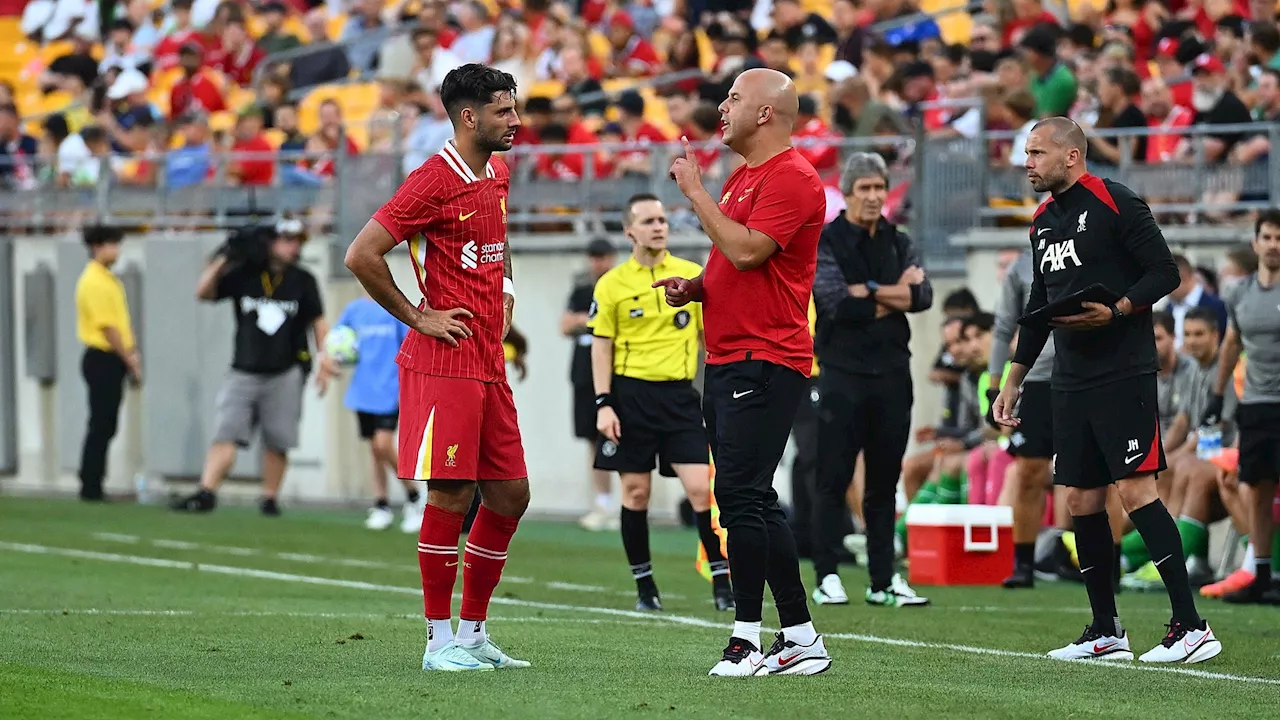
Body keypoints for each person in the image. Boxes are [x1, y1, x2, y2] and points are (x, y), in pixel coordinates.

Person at [994, 117, 1220, 665]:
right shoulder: (1042, 220)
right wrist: (1012, 380)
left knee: (1137, 491)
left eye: (1037, 153)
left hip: (1124, 372)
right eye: (1026, 153)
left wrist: (1117, 309)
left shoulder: (1119, 202)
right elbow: (1037, 308)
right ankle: (1105, 629)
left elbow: (1164, 273)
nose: (1027, 162)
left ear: (1071, 157)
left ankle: (1191, 628)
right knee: (1079, 499)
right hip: (1069, 378)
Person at [343, 64, 530, 672]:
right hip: (443, 361)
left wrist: (504, 290)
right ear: (469, 116)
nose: (516, 121)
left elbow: (494, 251)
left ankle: (474, 636)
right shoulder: (431, 180)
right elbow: (362, 254)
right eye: (504, 111)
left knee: (510, 494)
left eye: (515, 108)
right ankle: (436, 642)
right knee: (453, 493)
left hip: (487, 360)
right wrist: (416, 316)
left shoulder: (496, 173)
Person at [660, 67, 831, 677]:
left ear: (765, 113)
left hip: (766, 357)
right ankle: (801, 637)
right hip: (731, 355)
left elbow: (749, 250)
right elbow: (730, 264)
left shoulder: (794, 177)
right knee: (752, 497)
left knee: (737, 496)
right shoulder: (745, 176)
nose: (722, 107)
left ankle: (747, 638)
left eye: (734, 98)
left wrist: (695, 194)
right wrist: (697, 288)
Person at [589, 193, 733, 613]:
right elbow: (601, 346)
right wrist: (603, 403)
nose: (658, 226)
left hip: (680, 398)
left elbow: (713, 338)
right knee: (636, 493)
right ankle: (645, 588)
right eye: (648, 220)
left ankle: (722, 583)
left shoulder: (691, 275)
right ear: (628, 230)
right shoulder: (612, 283)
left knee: (700, 491)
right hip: (630, 397)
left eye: (663, 219)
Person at [809, 152, 933, 608]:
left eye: (879, 187)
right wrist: (892, 291)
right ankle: (826, 574)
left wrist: (873, 291)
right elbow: (836, 303)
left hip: (892, 374)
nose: (874, 196)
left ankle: (883, 580)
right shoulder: (826, 241)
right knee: (833, 477)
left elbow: (923, 296)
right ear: (847, 192)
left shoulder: (899, 240)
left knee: (884, 480)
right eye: (864, 188)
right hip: (842, 374)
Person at [173, 219, 335, 516]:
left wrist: (325, 359)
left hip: (285, 370)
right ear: (269, 242)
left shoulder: (303, 279)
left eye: (297, 241)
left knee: (279, 439)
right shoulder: (246, 275)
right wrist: (226, 256)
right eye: (286, 240)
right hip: (244, 369)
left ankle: (269, 498)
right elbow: (204, 292)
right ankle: (207, 491)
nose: (293, 246)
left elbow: (318, 322)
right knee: (226, 431)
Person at [1207, 208, 1280, 605]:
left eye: (1279, 238)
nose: (1273, 245)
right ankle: (1262, 574)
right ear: (1256, 243)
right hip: (1254, 404)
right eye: (1267, 237)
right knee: (1255, 488)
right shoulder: (1239, 293)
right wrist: (1217, 397)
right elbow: (1230, 345)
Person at [989, 250, 1057, 588]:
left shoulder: (1095, 242)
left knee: (1101, 476)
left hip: (1090, 373)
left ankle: (1110, 566)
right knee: (1030, 471)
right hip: (1039, 376)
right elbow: (1004, 328)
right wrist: (993, 384)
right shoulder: (1021, 265)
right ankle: (1024, 564)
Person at [334, 289, 423, 533]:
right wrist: (332, 358)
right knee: (375, 449)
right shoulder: (354, 310)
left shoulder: (394, 306)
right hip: (363, 391)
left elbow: (409, 347)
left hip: (390, 389)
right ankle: (381, 505)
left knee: (384, 445)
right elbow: (338, 341)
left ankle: (414, 497)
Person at [74, 226, 141, 502]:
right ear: (97, 247)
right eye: (112, 244)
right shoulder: (94, 282)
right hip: (103, 357)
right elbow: (109, 328)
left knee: (106, 422)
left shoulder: (107, 279)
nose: (117, 251)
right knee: (101, 423)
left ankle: (93, 480)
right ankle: (91, 484)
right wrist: (130, 360)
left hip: (112, 357)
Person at [562, 237, 619, 532]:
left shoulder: (621, 286)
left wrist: (586, 322)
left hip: (617, 370)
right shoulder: (583, 289)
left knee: (618, 435)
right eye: (594, 257)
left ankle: (623, 501)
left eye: (603, 256)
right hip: (584, 371)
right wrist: (591, 321)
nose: (599, 263)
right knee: (591, 437)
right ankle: (603, 501)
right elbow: (565, 324)